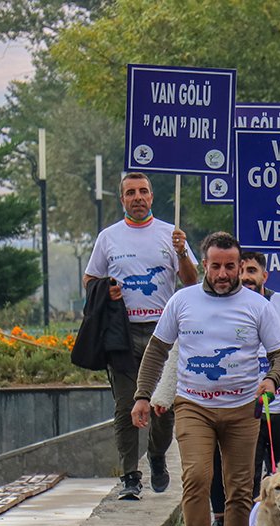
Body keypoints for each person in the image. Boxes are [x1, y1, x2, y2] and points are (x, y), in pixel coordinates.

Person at [132, 232, 280, 526]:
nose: (223, 274)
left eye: (230, 266)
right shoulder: (182, 301)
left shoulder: (258, 306)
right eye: (216, 266)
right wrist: (143, 395)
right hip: (194, 405)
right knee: (197, 477)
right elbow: (157, 350)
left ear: (239, 266)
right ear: (204, 264)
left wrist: (272, 379)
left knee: (240, 487)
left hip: (242, 408)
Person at [83, 172, 198, 499]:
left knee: (162, 405)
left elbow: (191, 281)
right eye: (131, 192)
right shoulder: (109, 237)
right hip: (122, 332)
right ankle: (130, 475)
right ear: (122, 199)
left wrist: (181, 253)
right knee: (126, 406)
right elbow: (90, 280)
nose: (137, 197)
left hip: (162, 334)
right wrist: (107, 289)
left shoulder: (171, 235)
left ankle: (157, 455)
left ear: (151, 196)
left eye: (143, 191)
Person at [207, 251, 280, 526]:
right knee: (247, 472)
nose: (246, 277)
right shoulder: (226, 306)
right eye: (242, 271)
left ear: (265, 275)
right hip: (243, 405)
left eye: (252, 271)